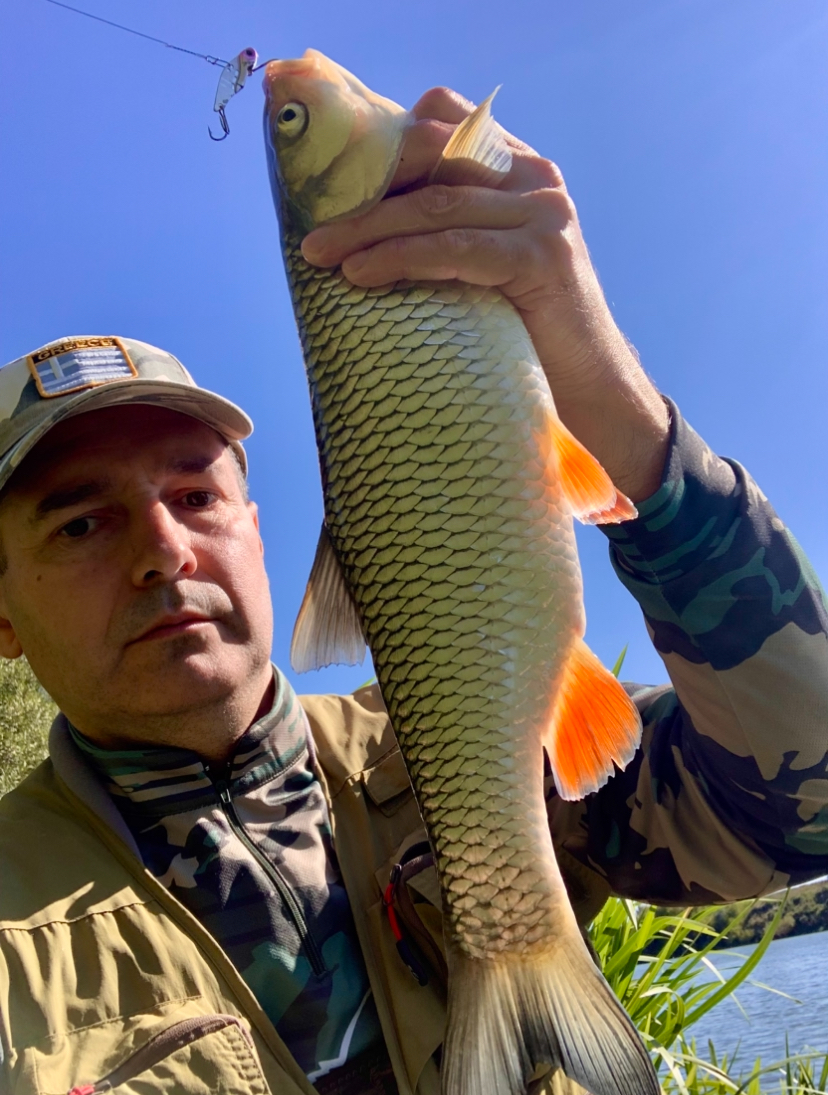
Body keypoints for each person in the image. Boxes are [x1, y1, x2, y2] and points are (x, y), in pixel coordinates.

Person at [0, 88, 826, 1095]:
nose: (163, 552)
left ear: (260, 531)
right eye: (81, 523)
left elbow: (807, 806)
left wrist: (629, 423)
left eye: (195, 495)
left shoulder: (449, 741)